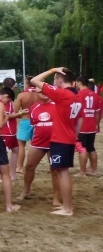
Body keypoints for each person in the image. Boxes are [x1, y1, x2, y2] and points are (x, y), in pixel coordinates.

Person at [30, 67, 82, 216]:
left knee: (62, 172)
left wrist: (52, 70)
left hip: (61, 139)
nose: (54, 82)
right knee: (61, 171)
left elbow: (34, 81)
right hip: (69, 137)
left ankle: (67, 208)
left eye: (55, 79)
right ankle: (66, 206)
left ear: (60, 80)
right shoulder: (77, 96)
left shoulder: (61, 94)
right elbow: (78, 122)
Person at [17, 90, 59, 203]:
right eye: (40, 91)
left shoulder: (57, 105)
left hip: (54, 142)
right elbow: (33, 124)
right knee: (29, 166)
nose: (44, 93)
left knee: (55, 170)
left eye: (45, 91)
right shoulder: (34, 108)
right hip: (38, 142)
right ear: (36, 93)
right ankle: (26, 191)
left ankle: (56, 198)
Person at [76, 76, 101, 176]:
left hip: (82, 126)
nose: (76, 85)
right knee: (91, 148)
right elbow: (97, 113)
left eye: (77, 83)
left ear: (80, 83)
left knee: (82, 149)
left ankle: (82, 172)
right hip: (91, 126)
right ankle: (94, 170)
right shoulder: (96, 96)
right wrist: (96, 124)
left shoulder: (78, 95)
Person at [15, 77, 38, 173]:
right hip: (38, 121)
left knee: (21, 146)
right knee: (36, 146)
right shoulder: (40, 94)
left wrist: (20, 114)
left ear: (27, 83)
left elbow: (15, 111)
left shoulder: (22, 95)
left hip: (25, 120)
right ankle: (32, 167)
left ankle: (19, 167)